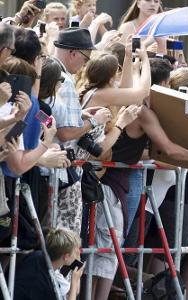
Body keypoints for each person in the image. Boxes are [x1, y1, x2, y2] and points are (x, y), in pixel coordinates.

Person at [52, 28, 110, 233]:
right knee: (66, 235)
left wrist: (82, 114)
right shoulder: (65, 80)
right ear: (73, 53)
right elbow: (65, 133)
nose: (85, 66)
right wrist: (95, 121)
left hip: (54, 166)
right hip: (61, 167)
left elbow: (57, 119)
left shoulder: (52, 70)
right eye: (85, 59)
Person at [13, 228, 85, 300]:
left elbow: (75, 292)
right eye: (76, 252)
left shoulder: (38, 257)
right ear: (66, 257)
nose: (78, 254)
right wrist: (74, 281)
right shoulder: (48, 284)